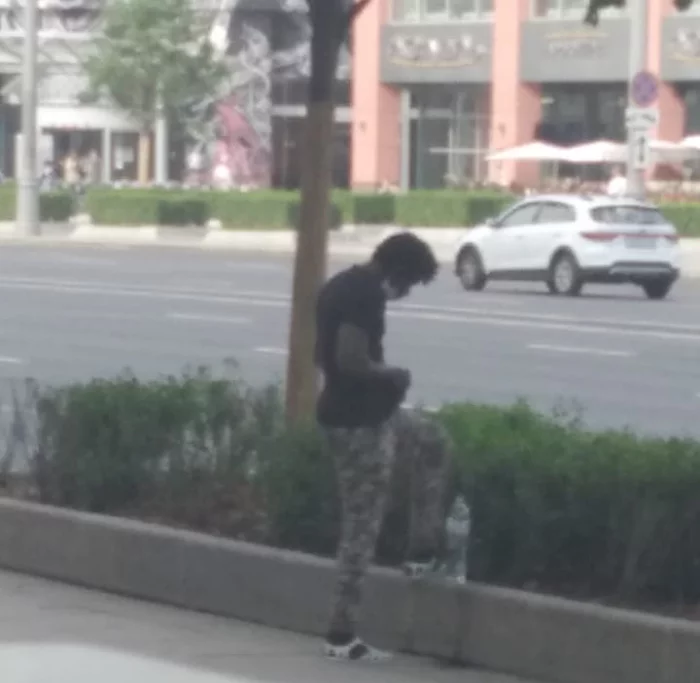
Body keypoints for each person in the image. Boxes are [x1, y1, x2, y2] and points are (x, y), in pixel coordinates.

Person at [315, 232, 453, 662]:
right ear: (396, 271)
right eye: (409, 283)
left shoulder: (341, 284)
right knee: (361, 526)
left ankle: (423, 550)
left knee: (434, 442)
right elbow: (349, 359)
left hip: (374, 416)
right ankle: (341, 634)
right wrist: (391, 374)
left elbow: (322, 357)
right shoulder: (362, 297)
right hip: (359, 425)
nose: (406, 293)